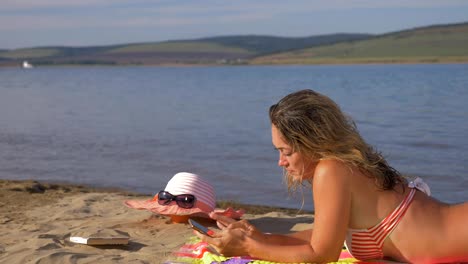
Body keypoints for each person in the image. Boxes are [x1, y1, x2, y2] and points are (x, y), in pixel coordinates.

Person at [195, 89, 468, 263]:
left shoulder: (331, 169)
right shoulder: (343, 167)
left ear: (312, 142)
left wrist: (248, 247)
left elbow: (322, 255)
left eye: (286, 151)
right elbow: (322, 239)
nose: (280, 162)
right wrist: (260, 238)